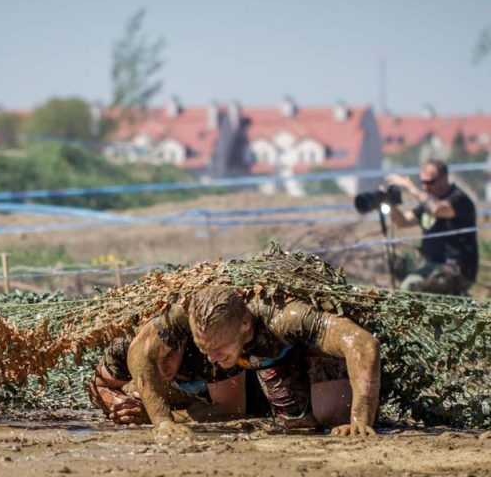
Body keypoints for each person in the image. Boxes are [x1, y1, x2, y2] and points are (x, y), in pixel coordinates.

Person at [127, 286, 380, 440]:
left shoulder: (285, 317)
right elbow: (139, 350)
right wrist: (162, 420)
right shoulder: (186, 314)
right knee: (295, 425)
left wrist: (361, 421)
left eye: (218, 349)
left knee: (332, 417)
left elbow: (363, 344)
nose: (211, 359)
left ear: (245, 324)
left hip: (313, 349)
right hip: (270, 357)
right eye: (204, 349)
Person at [88, 330, 269, 425]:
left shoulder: (207, 350)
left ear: (183, 343)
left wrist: (152, 414)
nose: (162, 367)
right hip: (180, 404)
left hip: (256, 407)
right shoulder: (125, 347)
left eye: (170, 354)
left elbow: (232, 409)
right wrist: (123, 406)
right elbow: (97, 388)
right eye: (152, 358)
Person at [387, 160, 478, 294]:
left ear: (445, 178)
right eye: (422, 182)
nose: (425, 187)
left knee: (419, 286)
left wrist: (411, 188)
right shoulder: (428, 202)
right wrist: (390, 204)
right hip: (430, 265)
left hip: (456, 268)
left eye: (430, 182)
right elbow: (403, 221)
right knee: (404, 276)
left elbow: (437, 210)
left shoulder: (459, 199)